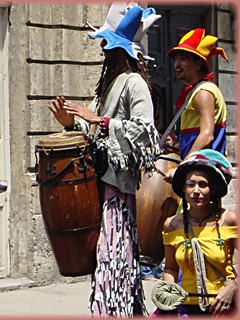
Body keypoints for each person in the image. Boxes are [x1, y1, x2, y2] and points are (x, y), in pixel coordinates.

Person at [48, 3, 162, 317]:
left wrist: (101, 122)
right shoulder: (109, 86)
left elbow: (146, 133)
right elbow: (92, 128)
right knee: (107, 264)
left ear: (117, 48)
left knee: (115, 264)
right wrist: (71, 122)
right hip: (98, 188)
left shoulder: (134, 83)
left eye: (106, 43)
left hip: (118, 194)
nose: (101, 48)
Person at [156, 149, 238, 317]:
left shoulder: (229, 220)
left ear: (213, 189)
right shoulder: (172, 224)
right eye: (190, 184)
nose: (196, 191)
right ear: (183, 188)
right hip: (185, 307)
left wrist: (233, 287)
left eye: (203, 184)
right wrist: (169, 294)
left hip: (223, 307)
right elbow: (171, 269)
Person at [164, 28, 228, 182]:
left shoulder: (203, 92)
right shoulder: (197, 91)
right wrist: (179, 144)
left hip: (202, 175)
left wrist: (183, 167)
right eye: (176, 59)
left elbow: (207, 135)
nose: (177, 64)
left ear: (198, 63)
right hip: (198, 170)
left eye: (183, 59)